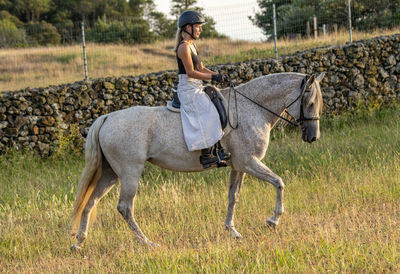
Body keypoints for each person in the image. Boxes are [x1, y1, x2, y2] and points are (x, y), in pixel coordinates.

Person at [174, 10, 230, 168]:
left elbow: (201, 67)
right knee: (208, 110)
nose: (201, 29)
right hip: (188, 88)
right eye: (198, 26)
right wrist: (212, 78)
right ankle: (206, 155)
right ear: (188, 27)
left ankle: (217, 149)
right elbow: (191, 72)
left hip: (196, 85)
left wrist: (217, 75)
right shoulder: (183, 47)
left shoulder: (192, 45)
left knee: (216, 104)